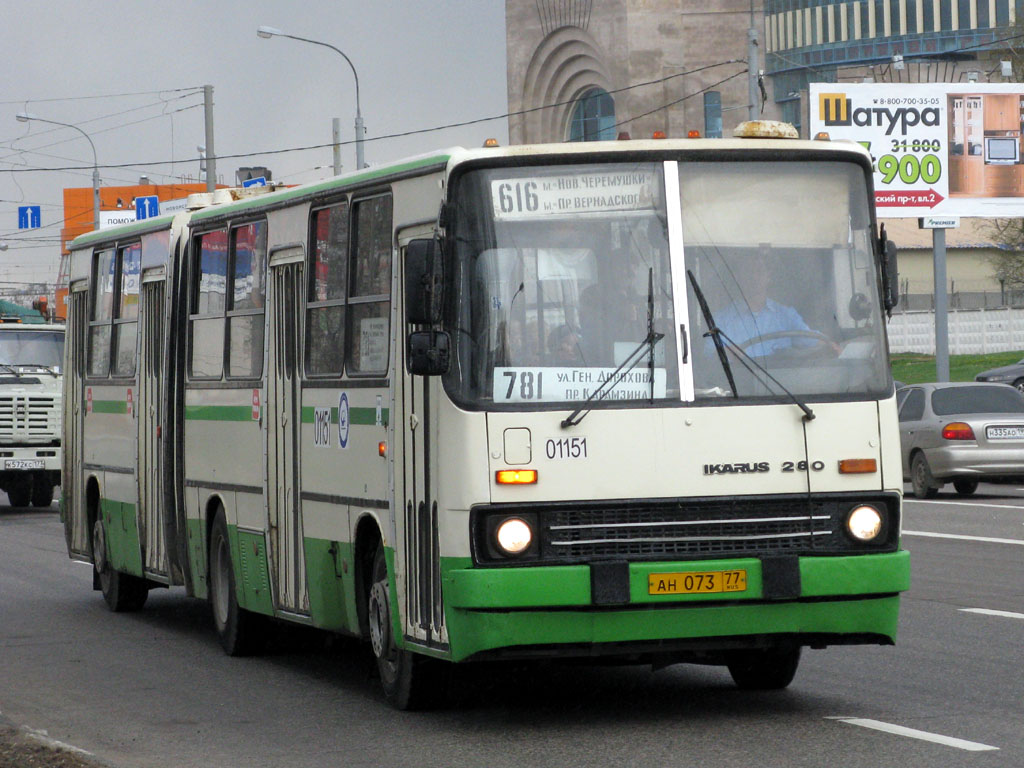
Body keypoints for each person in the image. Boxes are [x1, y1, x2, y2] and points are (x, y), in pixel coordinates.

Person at [712, 253, 832, 357]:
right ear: (737, 277)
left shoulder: (786, 316)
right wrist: (725, 353)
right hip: (740, 382)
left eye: (759, 271)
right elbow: (710, 356)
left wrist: (832, 345)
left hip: (781, 382)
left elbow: (810, 339)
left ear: (768, 276)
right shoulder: (720, 320)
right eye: (748, 271)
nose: (754, 277)